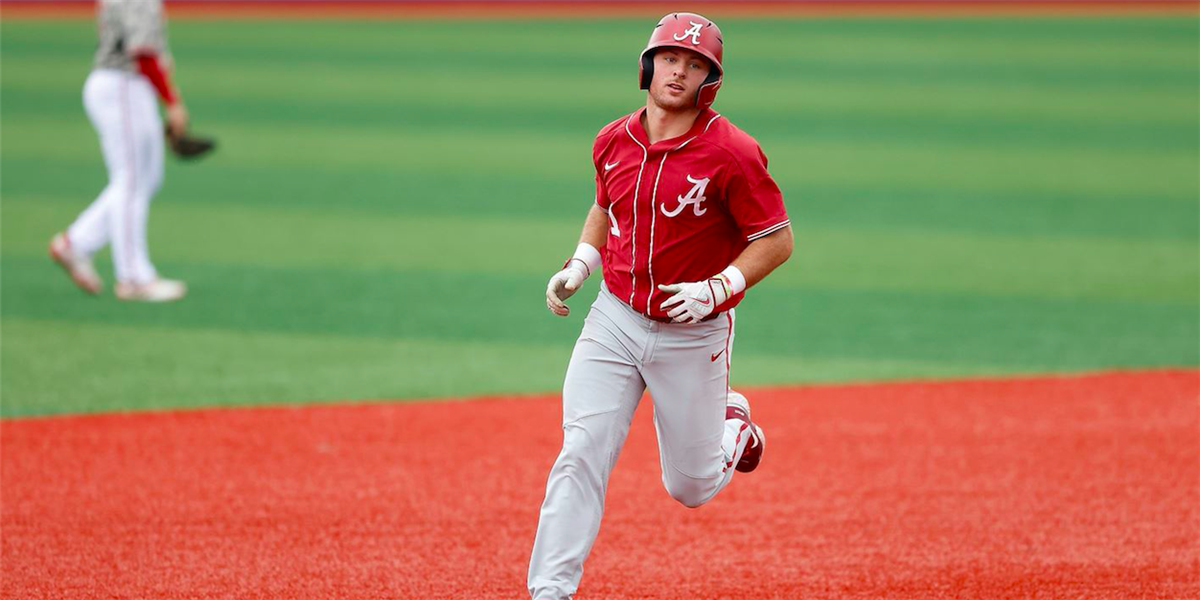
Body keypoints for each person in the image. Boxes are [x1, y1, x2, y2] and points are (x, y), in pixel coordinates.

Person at [529, 12, 793, 599]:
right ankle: (550, 591)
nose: (680, 71)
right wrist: (580, 263)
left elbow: (776, 239)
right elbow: (606, 206)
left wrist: (719, 287)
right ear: (648, 66)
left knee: (691, 487)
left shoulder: (734, 153)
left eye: (695, 64)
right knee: (581, 451)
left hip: (693, 334)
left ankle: (735, 426)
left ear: (710, 80)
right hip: (615, 319)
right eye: (671, 58)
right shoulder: (611, 139)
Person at [49, 0, 189, 302]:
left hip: (127, 86)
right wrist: (172, 100)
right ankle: (133, 277)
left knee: (146, 179)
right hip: (122, 86)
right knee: (131, 180)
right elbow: (142, 53)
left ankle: (76, 243)